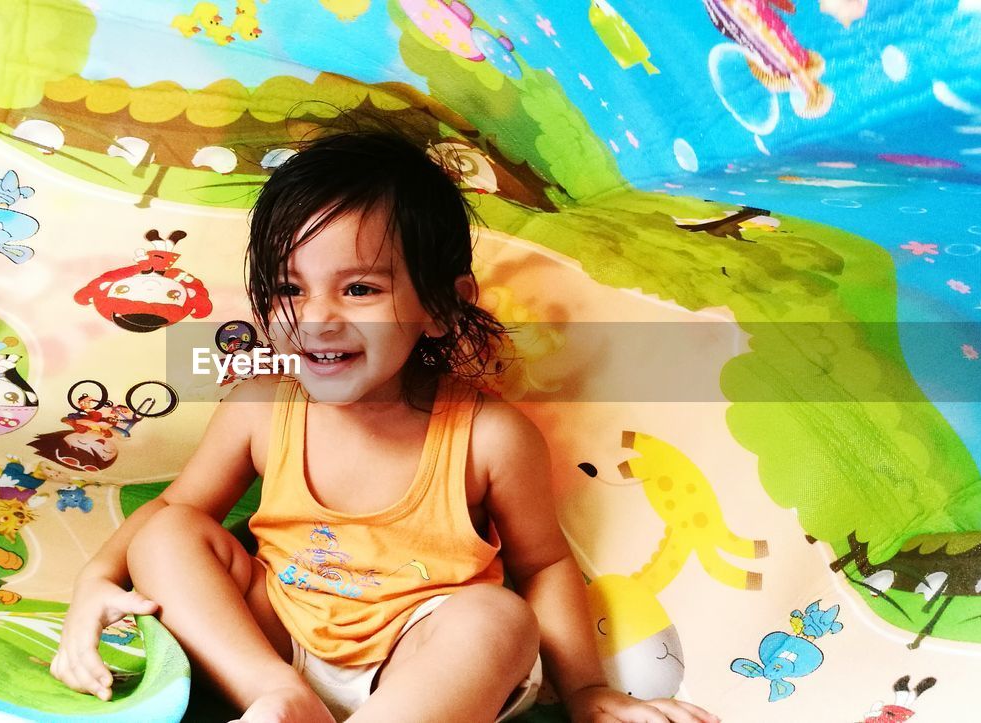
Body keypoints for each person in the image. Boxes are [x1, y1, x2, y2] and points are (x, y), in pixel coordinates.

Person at [50, 130, 719, 723]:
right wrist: (94, 584)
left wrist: (587, 691)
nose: (316, 317)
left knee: (499, 617)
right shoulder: (262, 404)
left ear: (438, 307)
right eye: (289, 288)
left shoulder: (490, 436)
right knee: (168, 533)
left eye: (359, 289)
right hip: (277, 636)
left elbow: (542, 564)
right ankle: (281, 700)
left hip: (422, 661)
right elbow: (174, 512)